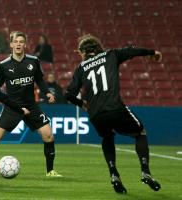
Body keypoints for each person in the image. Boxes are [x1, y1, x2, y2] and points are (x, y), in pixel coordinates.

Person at [64, 34, 162, 194]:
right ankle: (145, 171)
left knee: (107, 137)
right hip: (115, 107)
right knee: (140, 132)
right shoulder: (111, 55)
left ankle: (114, 173)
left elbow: (68, 94)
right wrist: (152, 52)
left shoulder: (81, 68)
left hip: (96, 114)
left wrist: (82, 104)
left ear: (83, 52)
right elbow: (132, 51)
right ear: (97, 48)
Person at [0, 31, 62, 177]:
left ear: (25, 44)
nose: (18, 44)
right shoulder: (3, 65)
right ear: (11, 44)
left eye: (21, 41)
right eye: (15, 41)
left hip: (31, 105)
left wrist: (47, 93)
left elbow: (40, 80)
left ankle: (50, 171)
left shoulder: (33, 61)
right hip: (12, 107)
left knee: (48, 135)